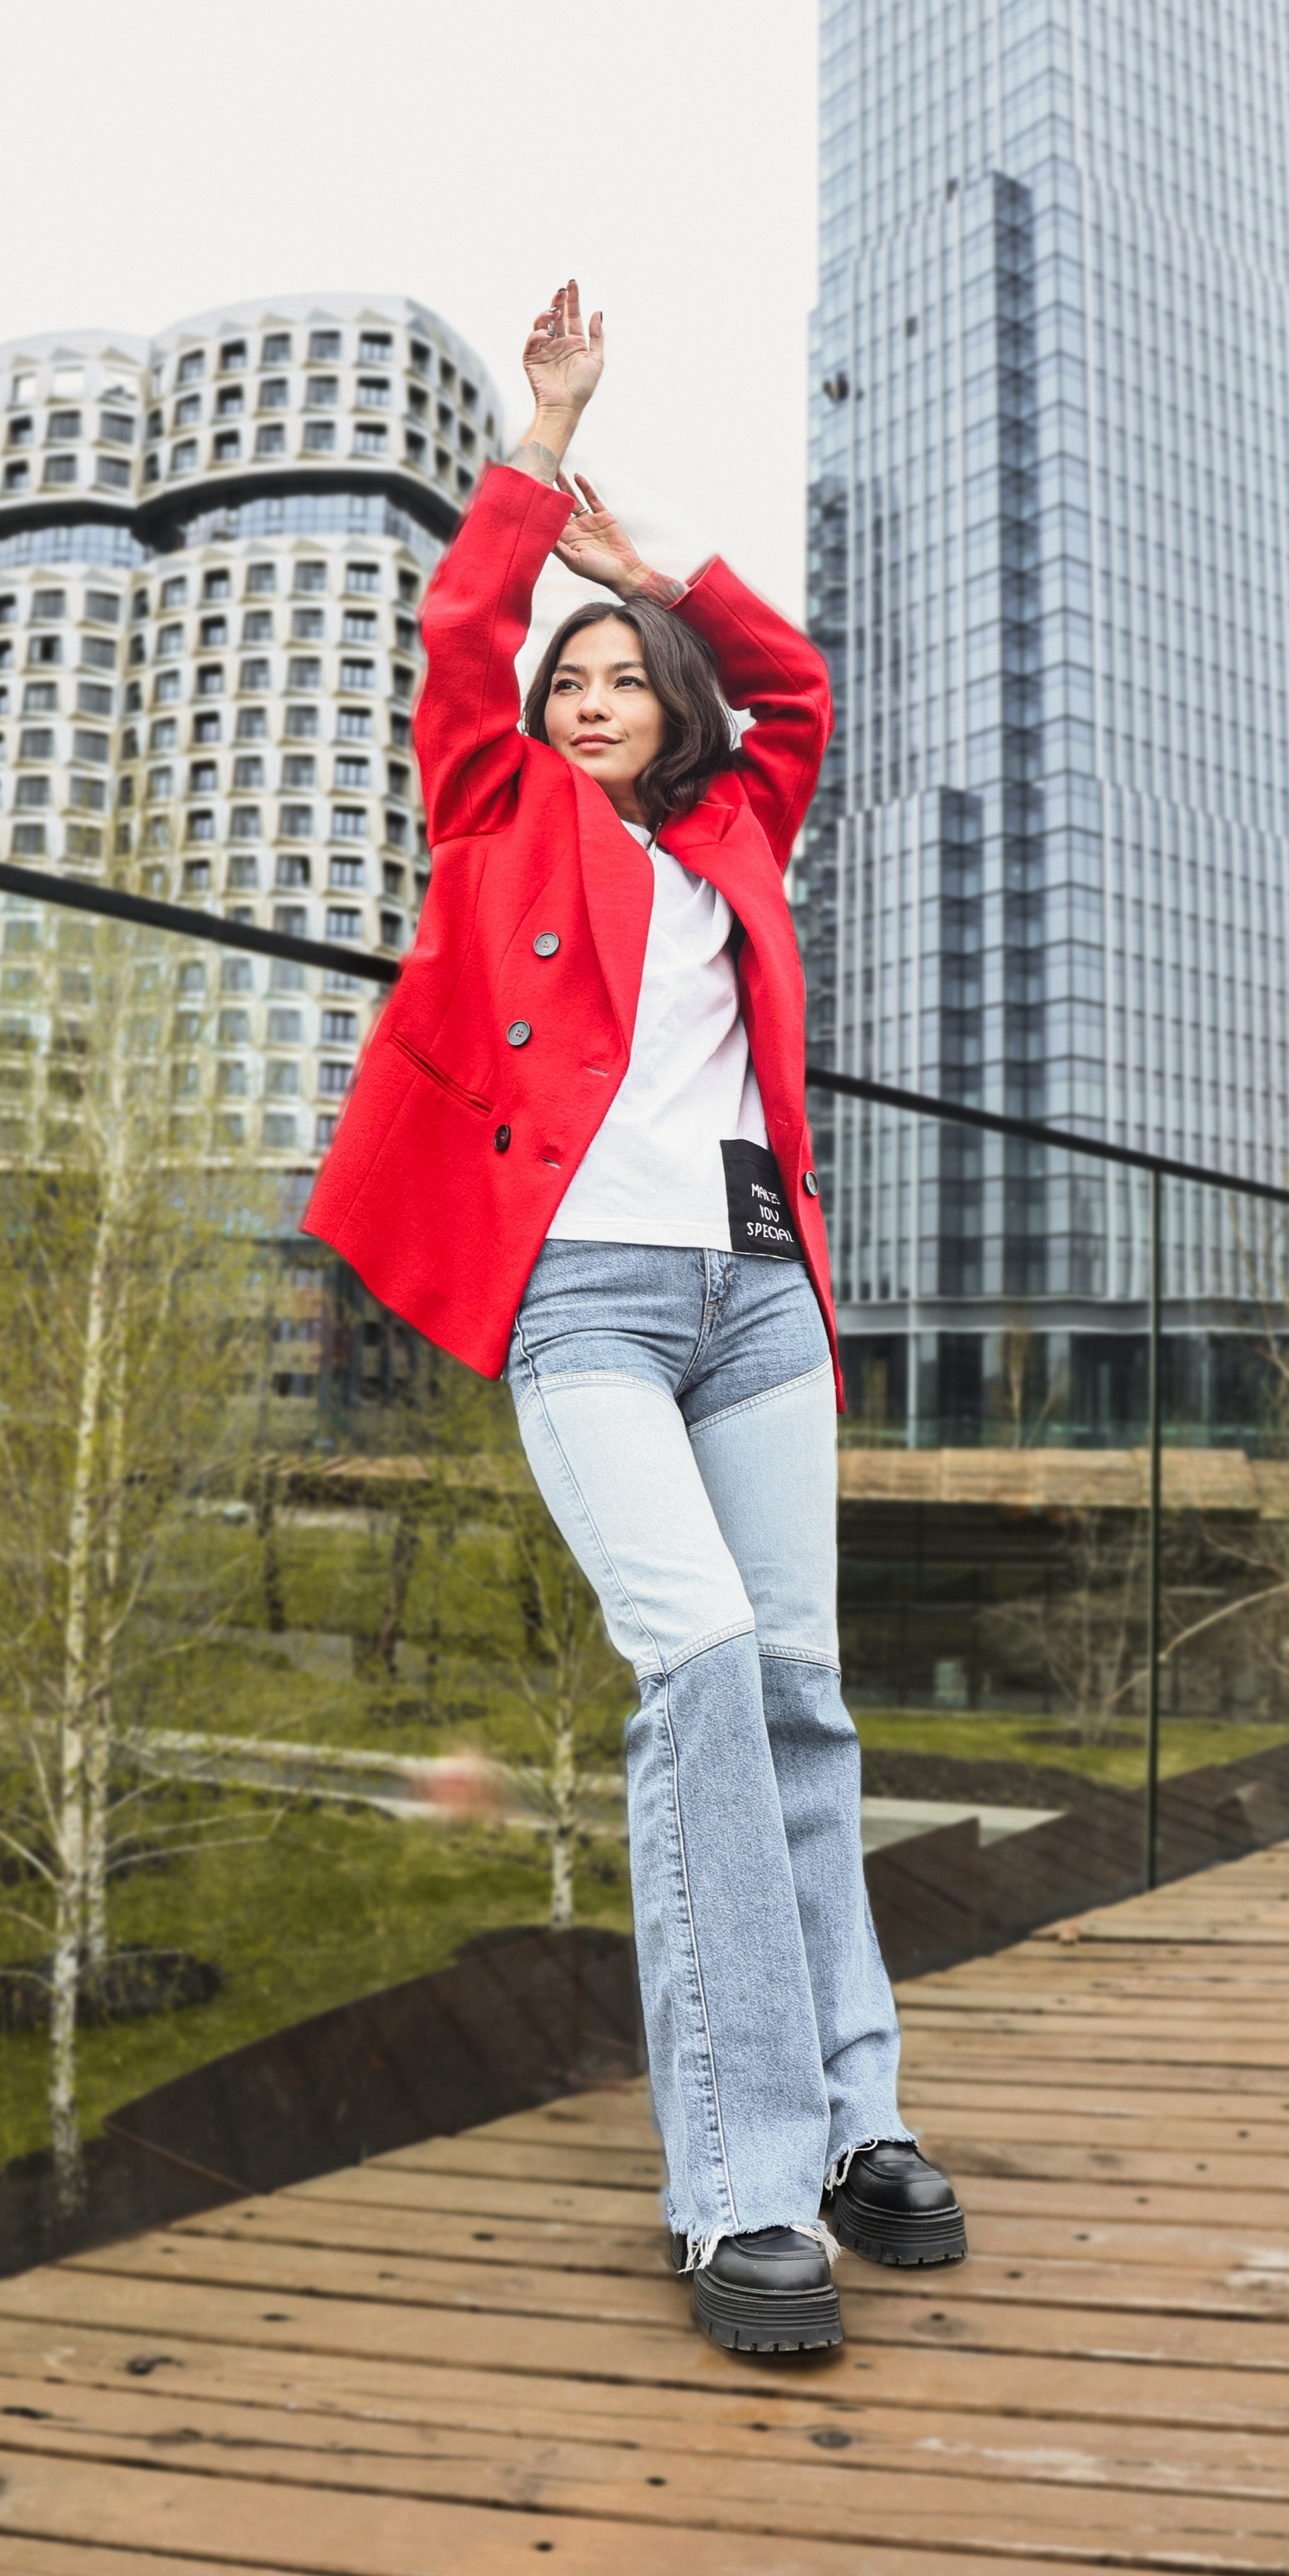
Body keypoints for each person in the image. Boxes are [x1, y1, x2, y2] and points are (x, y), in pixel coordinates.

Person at [303, 281, 964, 2353]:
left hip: (759, 1300)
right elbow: (449, 652)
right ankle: (742, 2185)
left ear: (670, 703)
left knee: (803, 1701)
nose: (589, 693)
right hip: (584, 1300)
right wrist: (539, 442)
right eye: (566, 675)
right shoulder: (496, 819)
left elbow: (796, 692)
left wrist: (650, 565)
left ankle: (861, 2119)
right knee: (695, 1673)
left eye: (619, 676)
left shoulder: (739, 831)